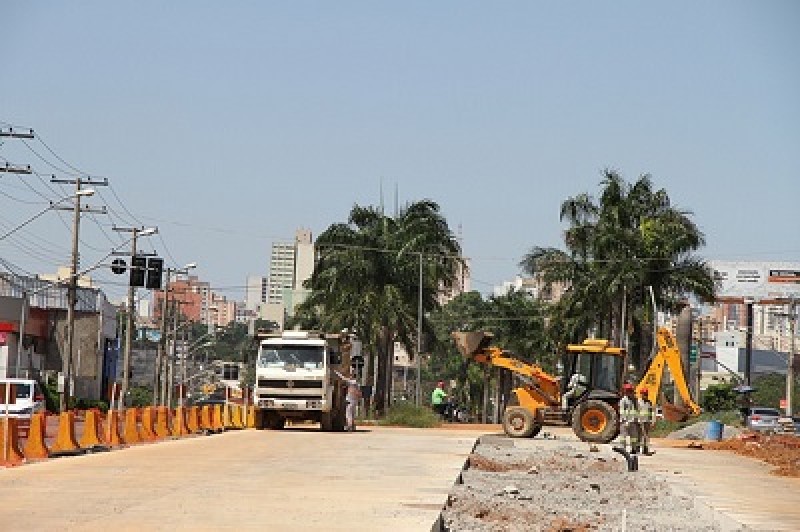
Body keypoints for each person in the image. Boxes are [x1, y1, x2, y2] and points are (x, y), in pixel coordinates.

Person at [619, 383, 639, 454]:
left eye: (631, 392)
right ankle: (622, 449)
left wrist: (637, 419)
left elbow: (637, 410)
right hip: (625, 422)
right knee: (623, 436)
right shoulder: (623, 400)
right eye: (629, 392)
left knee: (634, 437)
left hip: (633, 421)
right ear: (626, 392)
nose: (631, 393)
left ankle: (633, 449)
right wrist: (625, 420)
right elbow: (622, 411)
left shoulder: (635, 400)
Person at [637, 387, 656, 455]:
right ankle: (637, 449)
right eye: (644, 394)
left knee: (646, 436)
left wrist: (653, 421)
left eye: (646, 394)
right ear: (641, 394)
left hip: (647, 421)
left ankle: (645, 449)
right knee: (639, 436)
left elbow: (652, 412)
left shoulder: (649, 402)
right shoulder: (637, 402)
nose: (645, 395)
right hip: (639, 421)